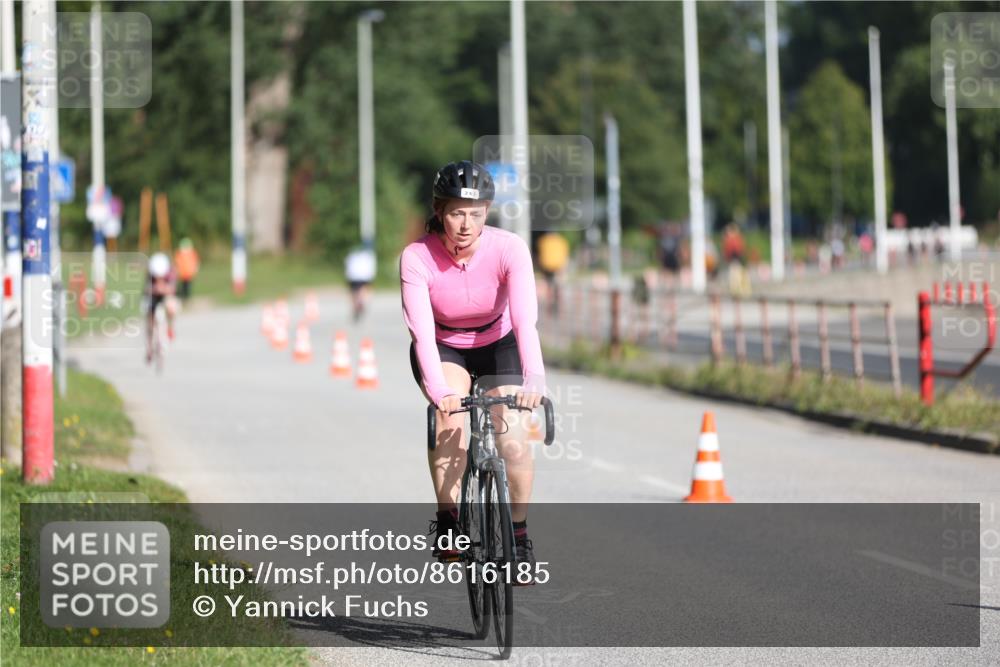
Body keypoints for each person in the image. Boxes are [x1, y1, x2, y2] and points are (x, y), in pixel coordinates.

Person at [400, 160, 545, 574]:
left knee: (513, 438)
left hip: (499, 343)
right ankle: (449, 521)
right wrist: (440, 393)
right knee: (450, 423)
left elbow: (525, 321)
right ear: (439, 211)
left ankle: (518, 535)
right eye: (456, 213)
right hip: (445, 347)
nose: (466, 224)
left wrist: (534, 379)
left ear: (487, 212)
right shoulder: (417, 257)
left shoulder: (509, 248)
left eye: (476, 213)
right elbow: (422, 335)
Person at [144, 252, 177, 363]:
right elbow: (146, 289)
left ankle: (170, 328)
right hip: (153, 296)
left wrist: (164, 289)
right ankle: (149, 347)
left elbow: (173, 289)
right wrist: (153, 289)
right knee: (149, 316)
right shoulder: (150, 274)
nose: (158, 278)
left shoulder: (171, 273)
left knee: (171, 306)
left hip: (166, 295)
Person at [536, 232, 570, 315]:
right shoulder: (561, 241)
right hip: (558, 267)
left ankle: (550, 307)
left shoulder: (543, 240)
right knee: (558, 287)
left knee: (549, 287)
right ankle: (559, 307)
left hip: (547, 267)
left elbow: (540, 255)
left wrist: (540, 267)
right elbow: (565, 255)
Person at [344, 241, 376, 322]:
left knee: (353, 292)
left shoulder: (351, 255)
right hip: (363, 276)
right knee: (363, 289)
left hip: (352, 276)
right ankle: (361, 302)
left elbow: (347, 266)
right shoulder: (367, 255)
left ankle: (356, 305)